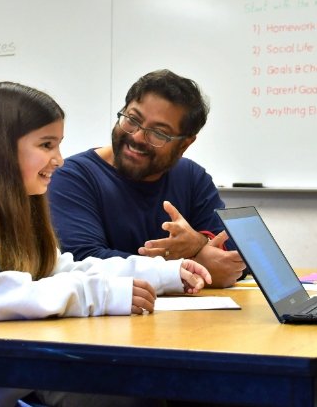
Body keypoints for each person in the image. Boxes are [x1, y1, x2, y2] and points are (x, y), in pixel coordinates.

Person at [0, 81, 211, 407]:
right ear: (1, 148)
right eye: (47, 145)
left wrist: (165, 273)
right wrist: (97, 294)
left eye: (58, 145)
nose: (60, 160)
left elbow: (60, 268)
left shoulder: (15, 203)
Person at [48, 69, 245, 288]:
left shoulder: (191, 177)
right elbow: (82, 260)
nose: (137, 136)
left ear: (185, 144)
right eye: (132, 119)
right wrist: (186, 264)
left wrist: (198, 244)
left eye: (158, 133)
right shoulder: (73, 178)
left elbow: (237, 259)